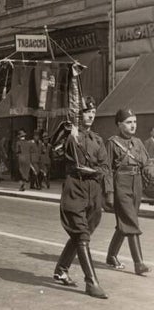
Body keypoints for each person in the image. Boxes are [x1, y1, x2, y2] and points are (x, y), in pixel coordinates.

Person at [53, 96, 112, 299]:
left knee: (81, 234)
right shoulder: (70, 135)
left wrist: (95, 172)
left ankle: (61, 269)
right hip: (75, 188)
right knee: (81, 234)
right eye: (87, 112)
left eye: (93, 112)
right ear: (79, 114)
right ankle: (91, 282)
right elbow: (54, 152)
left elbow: (105, 166)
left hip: (93, 191)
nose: (91, 116)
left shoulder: (97, 140)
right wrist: (66, 133)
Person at [105, 109, 151, 276]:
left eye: (135, 122)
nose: (133, 125)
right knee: (131, 221)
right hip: (121, 184)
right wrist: (109, 193)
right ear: (119, 124)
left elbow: (146, 163)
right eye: (129, 122)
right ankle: (138, 263)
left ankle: (111, 256)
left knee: (125, 223)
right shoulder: (112, 142)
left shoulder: (138, 142)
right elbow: (107, 170)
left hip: (136, 184)